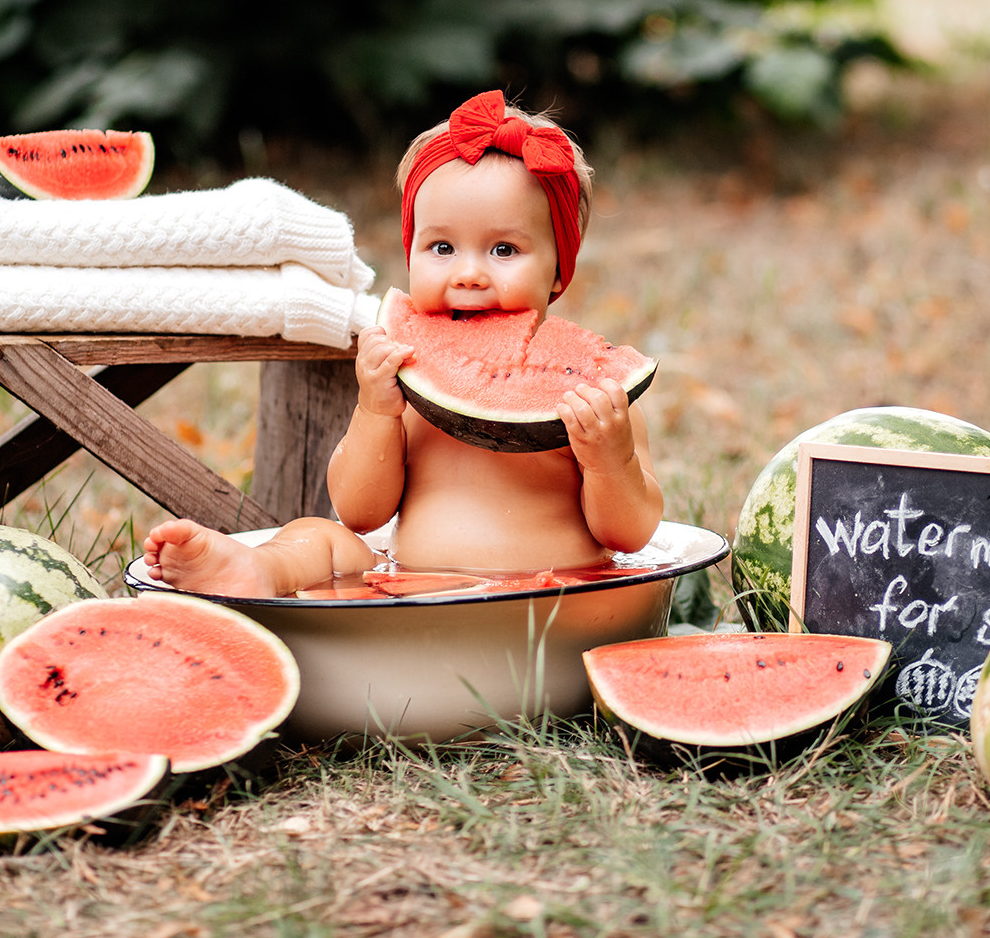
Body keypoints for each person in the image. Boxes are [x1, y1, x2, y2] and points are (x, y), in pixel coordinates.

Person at [141, 90, 663, 597]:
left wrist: (609, 462)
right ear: (410, 253)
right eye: (442, 246)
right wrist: (376, 413)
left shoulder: (594, 402)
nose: (469, 273)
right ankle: (258, 569)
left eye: (504, 249)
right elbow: (361, 512)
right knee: (321, 536)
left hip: (553, 590)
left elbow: (631, 536)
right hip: (412, 586)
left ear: (557, 271)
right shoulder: (407, 386)